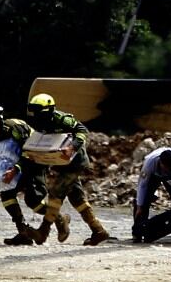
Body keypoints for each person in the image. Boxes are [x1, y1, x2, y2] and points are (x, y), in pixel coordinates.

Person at [25, 93, 109, 246]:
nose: (37, 116)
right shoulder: (40, 123)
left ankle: (43, 231)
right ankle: (98, 231)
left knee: (56, 193)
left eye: (40, 113)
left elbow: (82, 130)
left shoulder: (62, 119)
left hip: (75, 162)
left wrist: (72, 147)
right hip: (61, 163)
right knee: (77, 199)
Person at [0, 106, 60, 245]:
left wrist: (15, 170)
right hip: (20, 163)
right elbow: (1, 156)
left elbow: (29, 151)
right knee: (6, 194)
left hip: (36, 161)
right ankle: (23, 233)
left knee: (33, 201)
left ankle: (59, 219)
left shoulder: (15, 128)